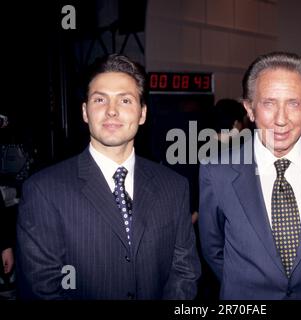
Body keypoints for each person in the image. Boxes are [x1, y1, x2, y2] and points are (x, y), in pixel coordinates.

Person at [16, 54, 201, 299]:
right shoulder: (44, 190)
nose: (112, 111)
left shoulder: (174, 186)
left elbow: (184, 272)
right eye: (100, 100)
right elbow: (42, 289)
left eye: (125, 100)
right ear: (85, 112)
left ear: (142, 113)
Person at [198, 52, 301, 299]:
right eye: (269, 103)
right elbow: (212, 249)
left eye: (293, 103)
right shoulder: (216, 169)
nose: (281, 119)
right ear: (249, 109)